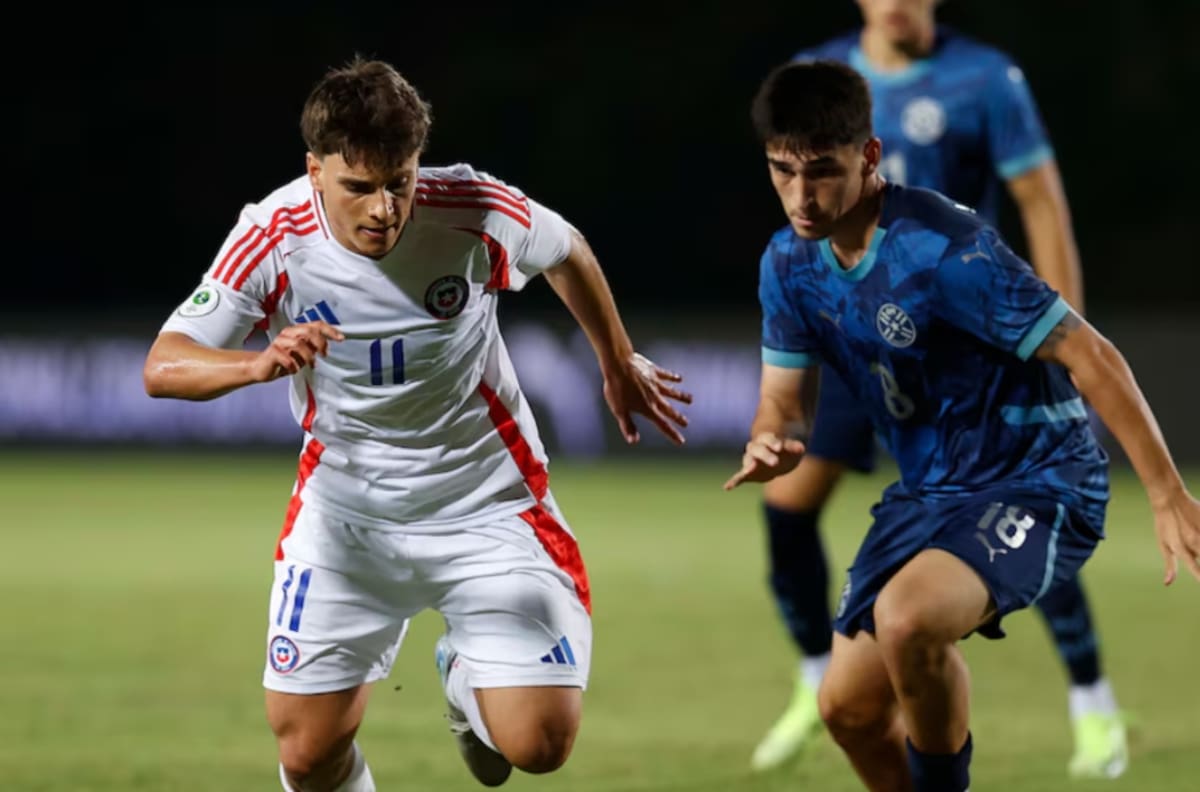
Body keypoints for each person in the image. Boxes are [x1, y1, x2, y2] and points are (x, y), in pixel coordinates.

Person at [143, 57, 691, 792]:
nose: (383, 209)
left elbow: (565, 249)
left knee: (540, 745)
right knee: (307, 757)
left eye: (398, 182)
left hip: (486, 505)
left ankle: (465, 677)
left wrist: (617, 360)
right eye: (358, 188)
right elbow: (164, 365)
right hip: (347, 520)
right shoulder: (272, 236)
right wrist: (255, 363)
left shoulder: (471, 208)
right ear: (314, 171)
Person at [727, 59, 1199, 792]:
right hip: (931, 495)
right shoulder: (789, 263)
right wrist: (770, 435)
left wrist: (1168, 494)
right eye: (781, 171)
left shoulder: (945, 248)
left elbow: (1092, 355)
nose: (800, 195)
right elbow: (784, 400)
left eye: (820, 171)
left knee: (908, 620)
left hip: (1041, 479)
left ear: (871, 156)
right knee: (846, 709)